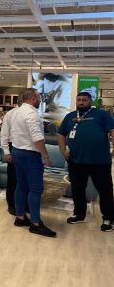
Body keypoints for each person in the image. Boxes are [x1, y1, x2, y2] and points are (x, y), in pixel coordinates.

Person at [58, 91, 114, 232]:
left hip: (100, 162)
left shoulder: (101, 115)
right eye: (79, 100)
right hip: (76, 161)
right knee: (77, 189)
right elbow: (61, 134)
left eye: (84, 100)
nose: (81, 102)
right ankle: (79, 214)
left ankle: (108, 218)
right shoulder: (70, 116)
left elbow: (112, 130)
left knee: (105, 190)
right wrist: (63, 151)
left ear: (91, 102)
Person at [10, 88, 56, 237]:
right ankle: (35, 224)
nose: (40, 100)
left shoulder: (16, 112)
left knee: (21, 185)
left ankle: (20, 217)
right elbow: (37, 137)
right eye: (39, 98)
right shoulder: (31, 114)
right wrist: (46, 156)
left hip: (16, 151)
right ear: (33, 99)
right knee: (36, 189)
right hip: (30, 154)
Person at [1, 94, 29, 216]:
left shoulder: (31, 113)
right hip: (13, 147)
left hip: (27, 148)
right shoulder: (10, 114)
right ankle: (11, 204)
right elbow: (4, 134)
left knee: (26, 178)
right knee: (13, 178)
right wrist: (7, 152)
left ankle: (25, 204)